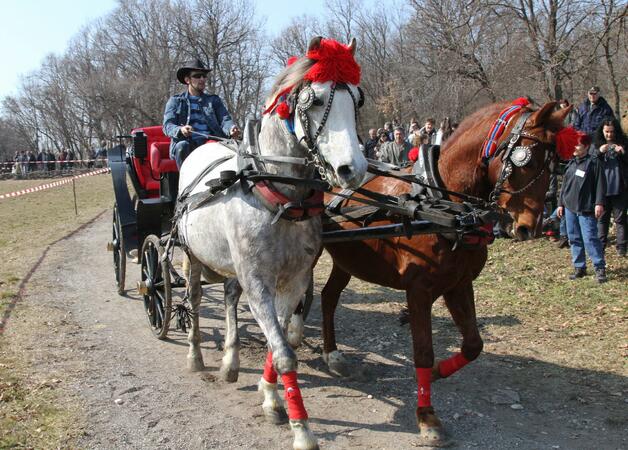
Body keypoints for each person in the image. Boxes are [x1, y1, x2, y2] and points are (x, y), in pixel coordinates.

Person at [163, 59, 240, 169]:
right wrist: (181, 130)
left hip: (210, 142)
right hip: (187, 144)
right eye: (197, 76)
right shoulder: (175, 101)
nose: (202, 79)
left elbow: (225, 120)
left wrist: (231, 128)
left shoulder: (214, 100)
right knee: (182, 146)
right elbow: (167, 126)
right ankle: (186, 183)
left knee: (231, 149)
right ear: (187, 80)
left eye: (204, 76)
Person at [557, 135, 607, 283]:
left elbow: (600, 184)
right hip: (570, 208)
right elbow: (564, 187)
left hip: (586, 208)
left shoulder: (594, 163)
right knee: (574, 238)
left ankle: (599, 267)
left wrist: (599, 203)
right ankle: (580, 267)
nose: (574, 147)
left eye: (577, 145)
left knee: (590, 238)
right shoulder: (571, 164)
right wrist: (560, 204)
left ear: (586, 147)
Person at [593, 118, 627, 257]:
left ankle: (622, 247)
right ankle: (601, 245)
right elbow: (590, 162)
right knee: (602, 219)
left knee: (620, 219)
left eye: (612, 132)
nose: (609, 135)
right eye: (606, 132)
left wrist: (623, 153)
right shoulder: (596, 145)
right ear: (602, 131)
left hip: (620, 187)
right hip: (602, 189)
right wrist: (599, 152)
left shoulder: (624, 143)